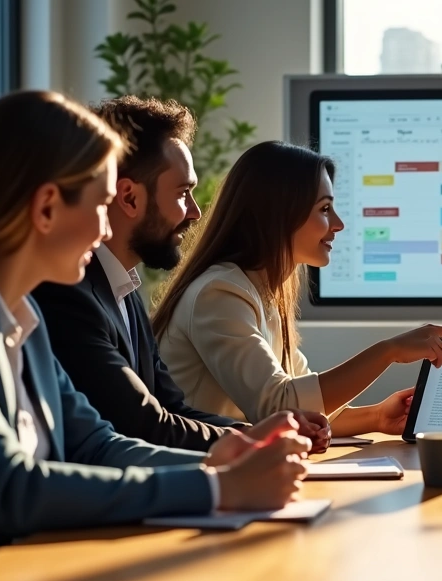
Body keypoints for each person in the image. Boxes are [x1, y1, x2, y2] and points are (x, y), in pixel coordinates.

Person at [0, 91, 310, 581]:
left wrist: (222, 461)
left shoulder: (22, 311)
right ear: (46, 208)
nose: (107, 229)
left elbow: (93, 444)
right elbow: (8, 485)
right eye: (102, 205)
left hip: (20, 580)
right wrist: (215, 487)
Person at [30, 96, 323, 453]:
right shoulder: (69, 295)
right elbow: (141, 424)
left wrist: (258, 432)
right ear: (129, 198)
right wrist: (253, 439)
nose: (196, 212)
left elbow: (171, 407)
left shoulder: (123, 288)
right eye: (183, 193)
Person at [152, 141, 442, 435]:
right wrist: (389, 351)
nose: (338, 223)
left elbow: (304, 404)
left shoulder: (262, 293)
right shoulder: (220, 292)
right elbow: (279, 406)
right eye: (324, 209)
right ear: (278, 214)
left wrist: (377, 416)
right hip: (198, 473)